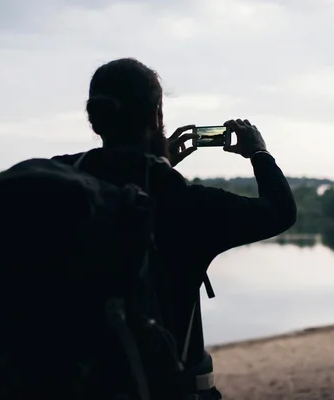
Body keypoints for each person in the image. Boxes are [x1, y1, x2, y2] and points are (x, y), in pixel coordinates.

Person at [52, 58, 297, 399]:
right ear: (156, 117)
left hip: (76, 385)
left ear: (95, 121)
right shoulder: (185, 204)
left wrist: (161, 166)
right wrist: (259, 153)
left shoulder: (60, 183)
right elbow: (280, 211)